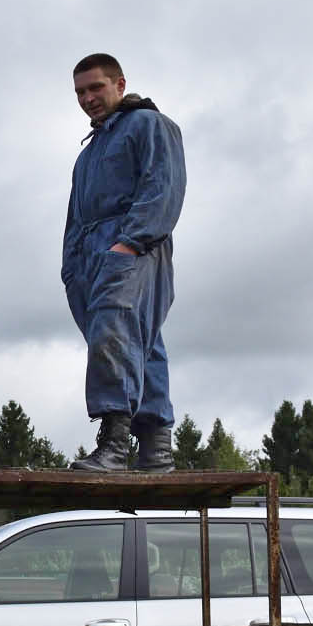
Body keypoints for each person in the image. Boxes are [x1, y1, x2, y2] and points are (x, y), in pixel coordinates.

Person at [62, 54, 185, 472]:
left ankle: (115, 444)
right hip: (90, 257)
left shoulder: (150, 125)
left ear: (119, 84)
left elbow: (162, 185)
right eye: (80, 92)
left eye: (96, 87)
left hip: (136, 245)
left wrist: (131, 243)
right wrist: (71, 268)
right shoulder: (88, 154)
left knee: (115, 331)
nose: (88, 98)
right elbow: (74, 217)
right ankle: (156, 448)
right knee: (139, 340)